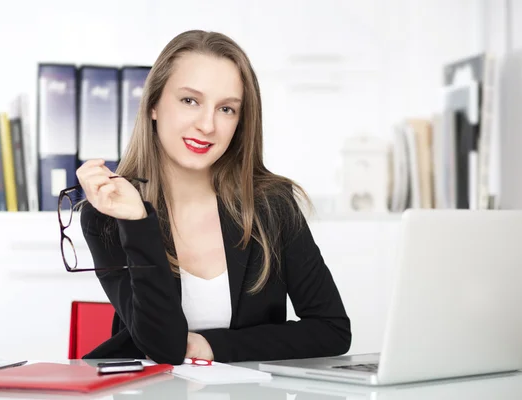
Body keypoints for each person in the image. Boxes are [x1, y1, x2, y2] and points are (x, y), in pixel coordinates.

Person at [77, 29, 351, 365]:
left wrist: (212, 347)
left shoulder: (271, 205)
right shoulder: (109, 214)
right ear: (153, 105)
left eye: (226, 109)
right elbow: (162, 347)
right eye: (189, 100)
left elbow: (332, 329)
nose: (207, 125)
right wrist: (137, 222)